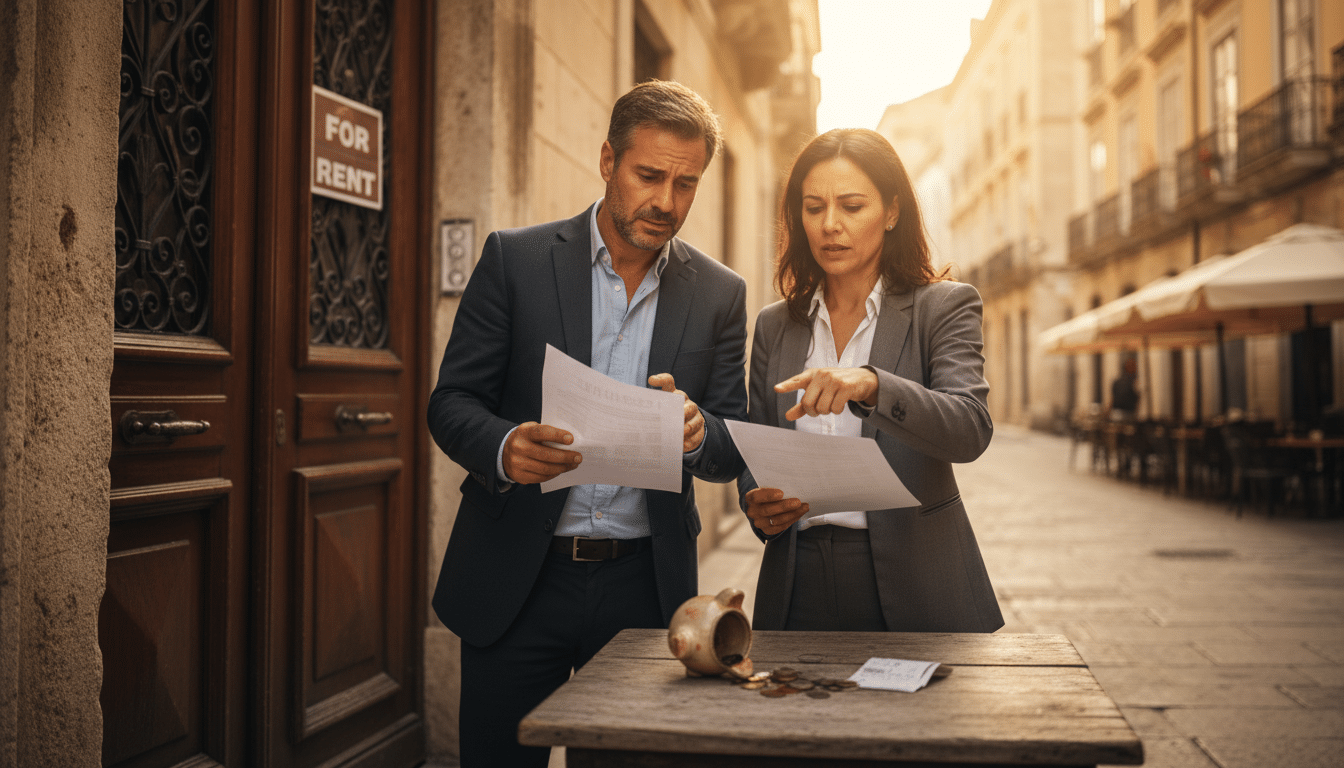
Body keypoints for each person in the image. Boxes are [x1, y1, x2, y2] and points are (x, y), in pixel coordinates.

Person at [427, 80, 748, 767]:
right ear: (608, 160)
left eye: (686, 184)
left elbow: (731, 444)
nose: (666, 201)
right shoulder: (515, 261)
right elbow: (451, 403)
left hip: (645, 589)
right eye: (649, 175)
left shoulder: (722, 293)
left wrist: (700, 434)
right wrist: (507, 447)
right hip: (518, 579)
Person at [737, 128, 1002, 633]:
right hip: (796, 584)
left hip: (915, 579)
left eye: (851, 206)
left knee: (912, 715)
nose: (830, 225)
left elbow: (971, 428)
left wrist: (874, 386)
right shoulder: (775, 324)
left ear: (892, 212)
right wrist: (757, 500)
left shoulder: (943, 307)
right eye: (813, 208)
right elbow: (758, 446)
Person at [1110, 356, 1140, 421]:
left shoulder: (1117, 382)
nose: (1135, 368)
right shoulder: (1131, 382)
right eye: (1133, 366)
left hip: (1117, 414)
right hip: (1125, 415)